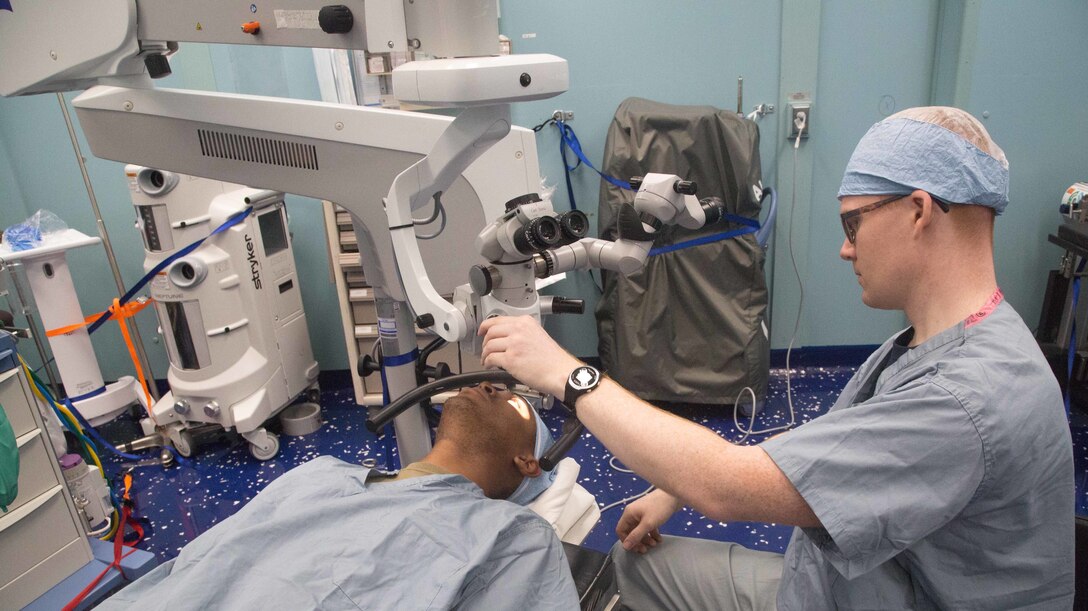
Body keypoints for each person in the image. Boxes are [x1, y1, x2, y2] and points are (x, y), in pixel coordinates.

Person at [480, 106, 1074, 609]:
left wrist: (570, 376)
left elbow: (731, 489)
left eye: (852, 222)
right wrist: (674, 489)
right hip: (861, 581)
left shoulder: (964, 398)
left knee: (634, 571)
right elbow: (841, 452)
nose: (845, 248)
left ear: (918, 211)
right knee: (636, 567)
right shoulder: (954, 338)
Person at [99, 383, 579, 610]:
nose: (492, 385)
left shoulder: (513, 536)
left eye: (514, 401)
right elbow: (197, 564)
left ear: (527, 461)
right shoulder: (322, 474)